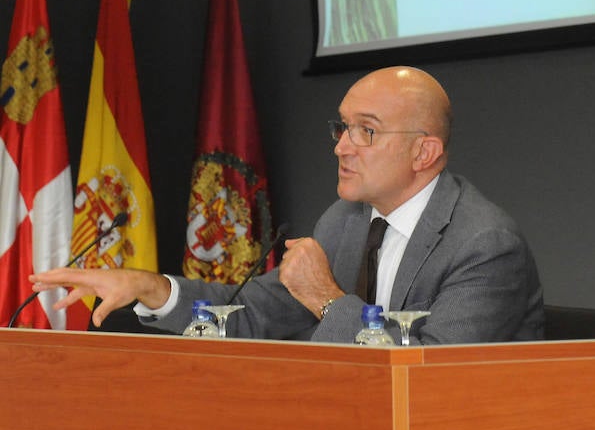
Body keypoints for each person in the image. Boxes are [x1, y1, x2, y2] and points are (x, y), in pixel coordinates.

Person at [30, 66, 544, 344]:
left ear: (424, 151)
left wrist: (326, 298)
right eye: (342, 127)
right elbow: (255, 314)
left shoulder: (484, 245)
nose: (342, 146)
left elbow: (432, 377)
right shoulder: (345, 220)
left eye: (366, 130)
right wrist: (153, 288)